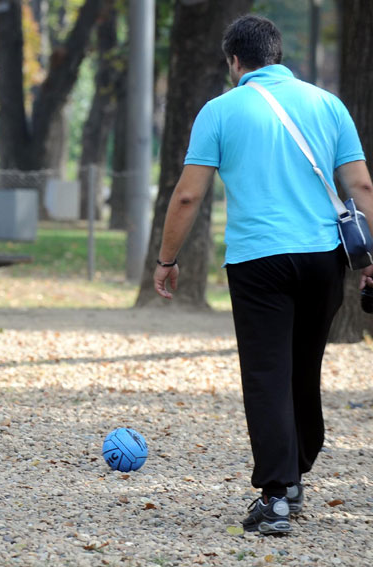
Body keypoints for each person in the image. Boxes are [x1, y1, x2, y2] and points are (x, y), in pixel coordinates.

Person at [153, 15, 373, 535]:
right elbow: (360, 187)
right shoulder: (328, 104)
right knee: (303, 367)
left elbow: (188, 194)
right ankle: (296, 474)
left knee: (267, 374)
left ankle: (275, 498)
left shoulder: (220, 111)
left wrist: (166, 260)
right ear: (277, 54)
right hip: (324, 257)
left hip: (258, 262)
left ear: (234, 60)